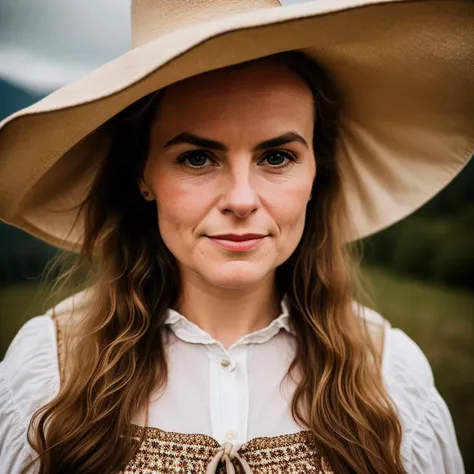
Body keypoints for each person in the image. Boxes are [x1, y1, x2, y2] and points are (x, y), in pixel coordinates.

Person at [0, 1, 472, 473]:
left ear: (316, 174)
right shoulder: (52, 371)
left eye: (277, 157)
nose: (241, 199)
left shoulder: (391, 377)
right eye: (198, 158)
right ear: (143, 175)